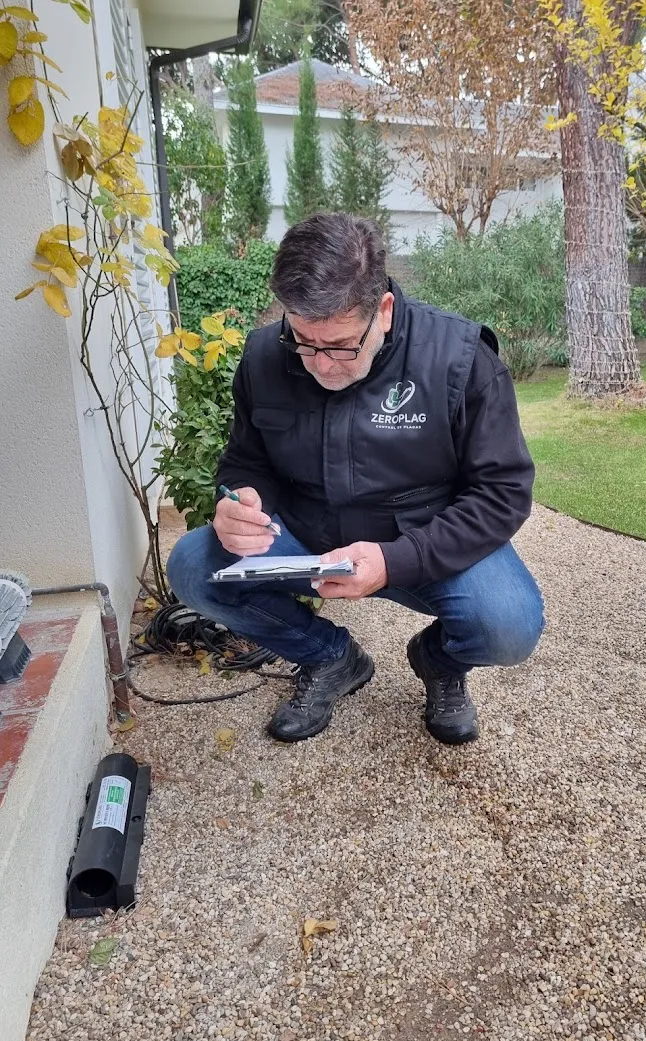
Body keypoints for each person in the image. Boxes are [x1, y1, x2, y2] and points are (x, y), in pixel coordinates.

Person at [166, 212, 546, 746]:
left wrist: (396, 560)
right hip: (307, 536)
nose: (321, 365)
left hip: (424, 538)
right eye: (303, 340)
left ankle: (438, 661)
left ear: (383, 311)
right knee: (192, 566)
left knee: (510, 625)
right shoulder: (263, 355)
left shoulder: (460, 359)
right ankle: (330, 657)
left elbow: (502, 493)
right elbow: (246, 460)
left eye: (341, 345)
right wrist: (240, 499)